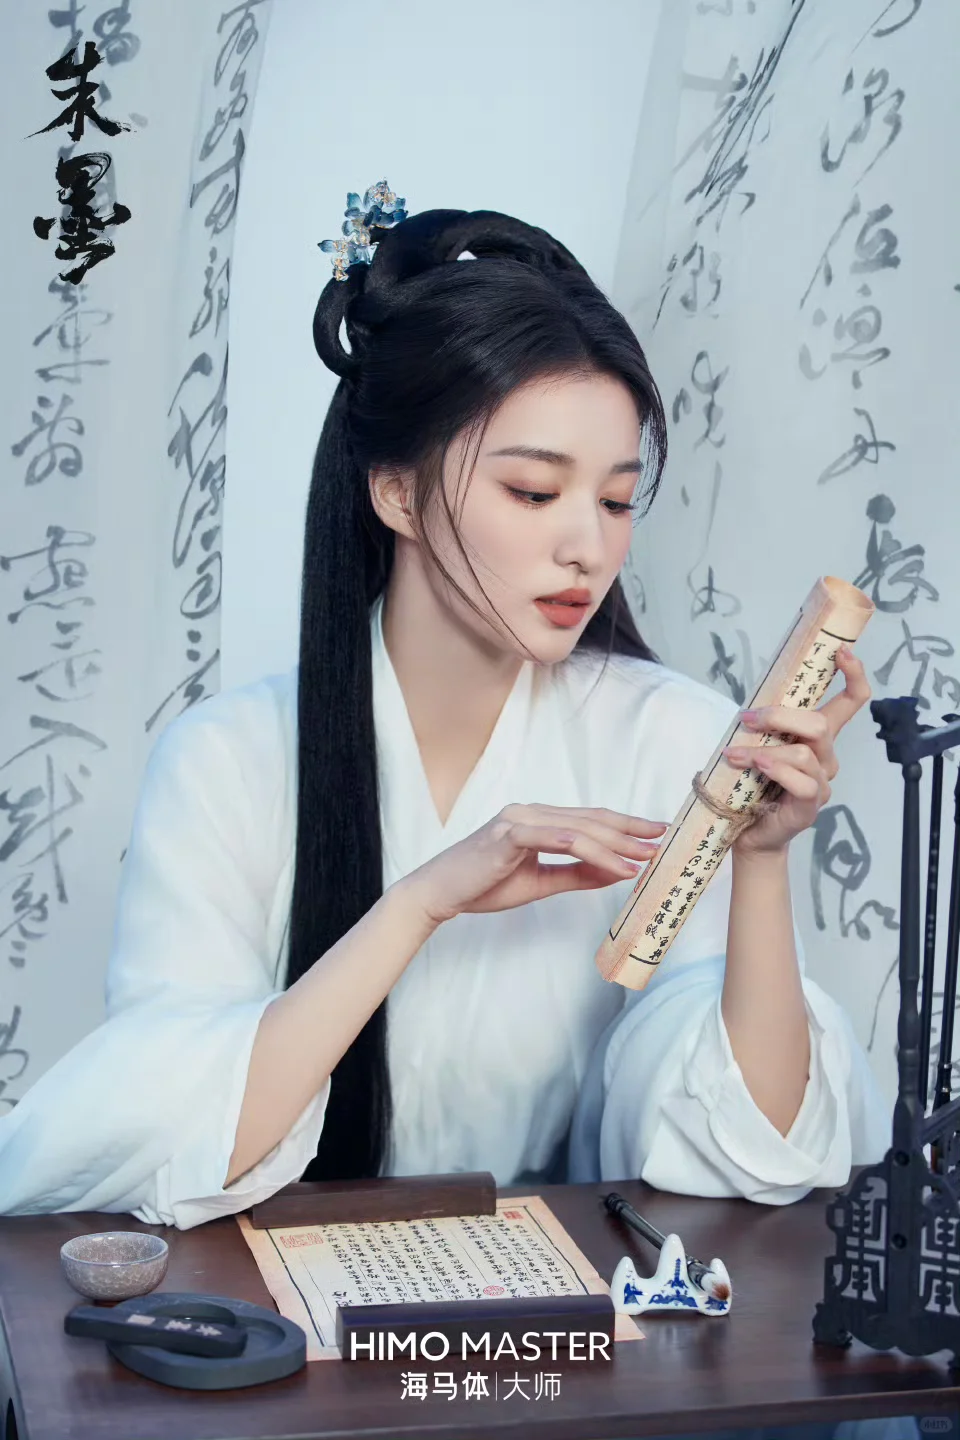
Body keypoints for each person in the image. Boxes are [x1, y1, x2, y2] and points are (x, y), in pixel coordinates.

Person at [0, 197, 890, 1232]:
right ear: (397, 494)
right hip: (269, 1305)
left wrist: (761, 862)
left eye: (614, 500)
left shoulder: (675, 740)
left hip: (568, 1305)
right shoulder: (228, 762)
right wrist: (420, 904)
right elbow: (170, 1132)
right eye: (533, 493)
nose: (588, 548)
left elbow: (756, 1152)